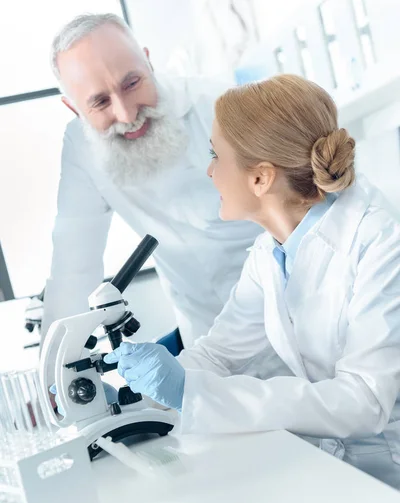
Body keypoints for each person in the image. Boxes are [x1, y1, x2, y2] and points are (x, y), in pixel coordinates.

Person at [104, 74, 400, 489]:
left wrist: (189, 392)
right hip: (343, 467)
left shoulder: (380, 241)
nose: (209, 171)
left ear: (261, 178)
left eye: (215, 155)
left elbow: (364, 401)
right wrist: (138, 400)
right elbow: (220, 352)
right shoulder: (272, 250)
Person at [42, 13, 261, 350]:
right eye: (100, 102)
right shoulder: (81, 148)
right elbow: (73, 266)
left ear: (148, 62)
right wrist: (57, 367)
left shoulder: (221, 106)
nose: (128, 115)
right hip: (207, 339)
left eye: (132, 83)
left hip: (293, 315)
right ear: (74, 109)